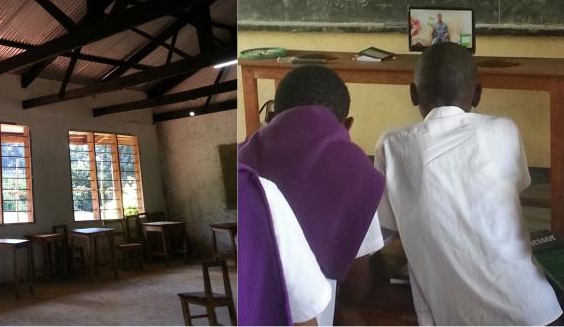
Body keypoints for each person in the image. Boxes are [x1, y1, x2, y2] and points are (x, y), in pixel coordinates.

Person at [374, 42, 562, 325]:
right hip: (536, 312)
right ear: (478, 93)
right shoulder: (505, 129)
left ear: (413, 93)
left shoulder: (391, 145)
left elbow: (386, 228)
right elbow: (513, 188)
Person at [238, 66, 385, 325]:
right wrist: (350, 307)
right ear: (347, 125)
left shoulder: (242, 162)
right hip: (314, 316)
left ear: (270, 117)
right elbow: (357, 284)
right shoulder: (355, 171)